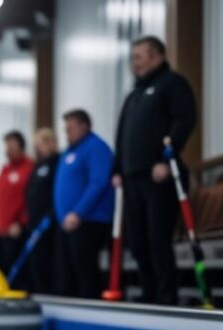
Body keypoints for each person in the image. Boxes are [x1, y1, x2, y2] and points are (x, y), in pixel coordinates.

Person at [113, 36, 197, 305]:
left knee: (158, 239)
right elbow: (122, 136)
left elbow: (184, 119)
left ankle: (166, 298)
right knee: (137, 242)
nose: (134, 63)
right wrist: (117, 170)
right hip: (132, 179)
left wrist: (165, 158)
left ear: (157, 56)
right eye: (132, 58)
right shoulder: (134, 95)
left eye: (139, 56)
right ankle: (149, 295)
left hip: (159, 176)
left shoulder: (172, 84)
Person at [55, 109, 114, 299]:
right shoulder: (69, 152)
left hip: (90, 220)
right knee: (68, 274)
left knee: (86, 272)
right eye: (65, 129)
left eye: (70, 129)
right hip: (68, 223)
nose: (67, 133)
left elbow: (98, 182)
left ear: (84, 125)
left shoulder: (96, 147)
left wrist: (78, 212)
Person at [0, 131, 34, 275]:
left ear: (20, 146)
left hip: (16, 230)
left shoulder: (29, 168)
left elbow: (31, 199)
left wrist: (21, 222)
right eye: (6, 146)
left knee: (16, 271)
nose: (7, 150)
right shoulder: (4, 170)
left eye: (11, 145)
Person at [25, 128, 60, 294]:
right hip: (34, 222)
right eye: (37, 144)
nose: (39, 147)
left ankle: (50, 293)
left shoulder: (57, 162)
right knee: (35, 262)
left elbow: (57, 191)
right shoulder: (37, 165)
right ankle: (39, 292)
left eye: (43, 143)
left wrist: (51, 214)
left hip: (49, 222)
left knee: (49, 261)